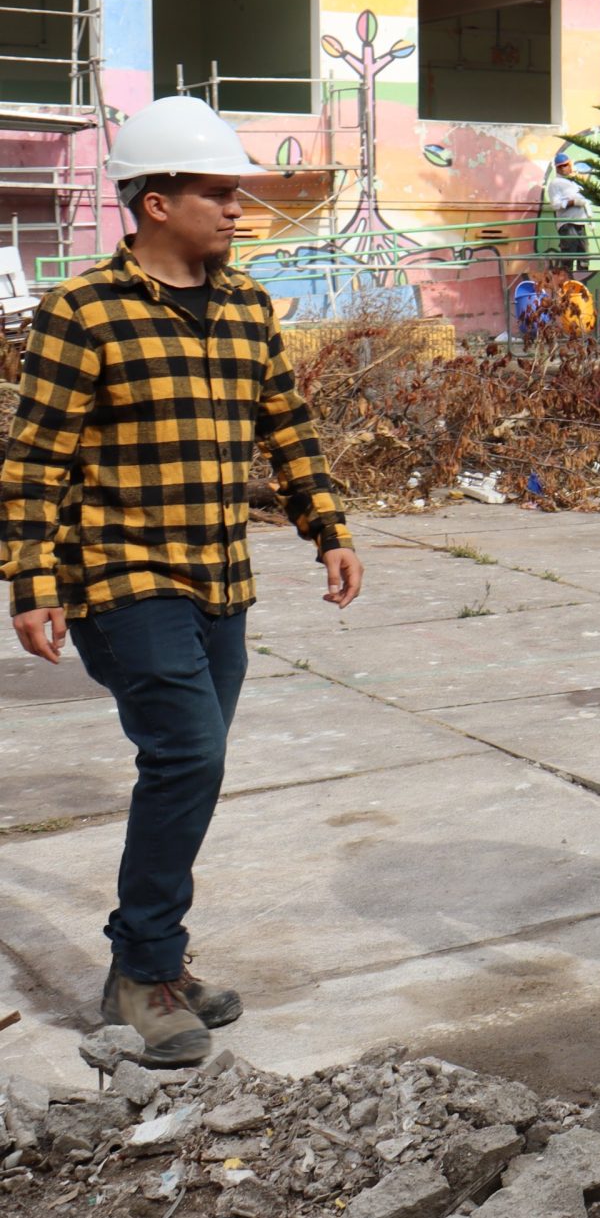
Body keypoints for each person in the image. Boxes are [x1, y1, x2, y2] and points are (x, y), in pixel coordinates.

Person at [3, 96, 363, 1068]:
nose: (238, 208)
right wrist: (30, 580)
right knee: (188, 756)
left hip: (219, 577)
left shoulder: (245, 304)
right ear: (155, 202)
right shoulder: (84, 311)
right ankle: (145, 970)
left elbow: (285, 425)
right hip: (120, 576)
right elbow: (37, 457)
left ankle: (150, 955)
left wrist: (326, 527)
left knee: (189, 767)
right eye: (217, 193)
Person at [545, 151, 590, 282]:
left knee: (584, 254)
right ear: (557, 168)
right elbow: (555, 204)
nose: (564, 168)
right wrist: (573, 202)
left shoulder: (573, 182)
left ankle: (582, 282)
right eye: (561, 166)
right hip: (567, 224)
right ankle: (565, 283)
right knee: (569, 254)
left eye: (566, 165)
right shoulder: (555, 183)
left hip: (580, 222)